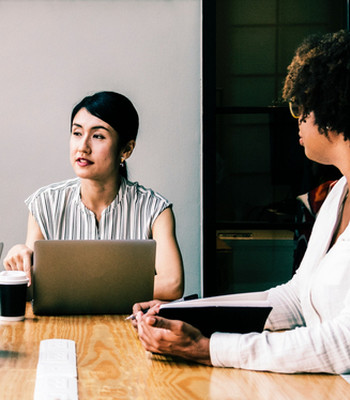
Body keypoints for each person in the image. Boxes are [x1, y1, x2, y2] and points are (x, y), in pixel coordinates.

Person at [134, 31, 350, 374]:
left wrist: (207, 349)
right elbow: (292, 300)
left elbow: (342, 343)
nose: (296, 118)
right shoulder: (339, 193)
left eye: (299, 106)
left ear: (330, 107)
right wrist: (181, 313)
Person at [3, 91, 184, 300]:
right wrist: (19, 257)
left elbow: (172, 284)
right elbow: (32, 288)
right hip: (60, 330)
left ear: (126, 149)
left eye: (98, 136)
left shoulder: (155, 209)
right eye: (77, 133)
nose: (83, 147)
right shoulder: (44, 204)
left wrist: (75, 286)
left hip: (128, 328)